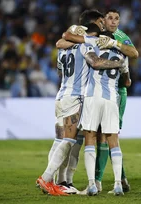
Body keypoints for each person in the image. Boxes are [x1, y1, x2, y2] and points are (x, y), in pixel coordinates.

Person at [36, 13, 125, 196]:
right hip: (76, 97)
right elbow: (95, 61)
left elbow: (60, 60)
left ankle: (57, 182)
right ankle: (51, 179)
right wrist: (118, 64)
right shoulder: (87, 43)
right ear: (92, 25)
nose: (103, 26)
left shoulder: (63, 47)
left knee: (60, 139)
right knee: (71, 141)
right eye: (101, 22)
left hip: (61, 95)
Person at [94, 8, 139, 193]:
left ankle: (97, 180)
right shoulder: (96, 35)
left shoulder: (120, 36)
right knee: (101, 135)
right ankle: (121, 179)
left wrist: (114, 43)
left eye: (116, 19)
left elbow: (134, 53)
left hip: (117, 92)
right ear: (103, 20)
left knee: (108, 135)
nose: (113, 21)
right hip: (98, 92)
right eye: (110, 18)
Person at [81, 31, 129, 196]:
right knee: (113, 141)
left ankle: (92, 185)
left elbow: (93, 63)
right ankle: (117, 185)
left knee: (90, 138)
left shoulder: (93, 46)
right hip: (111, 99)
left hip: (93, 97)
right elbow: (127, 81)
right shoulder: (122, 54)